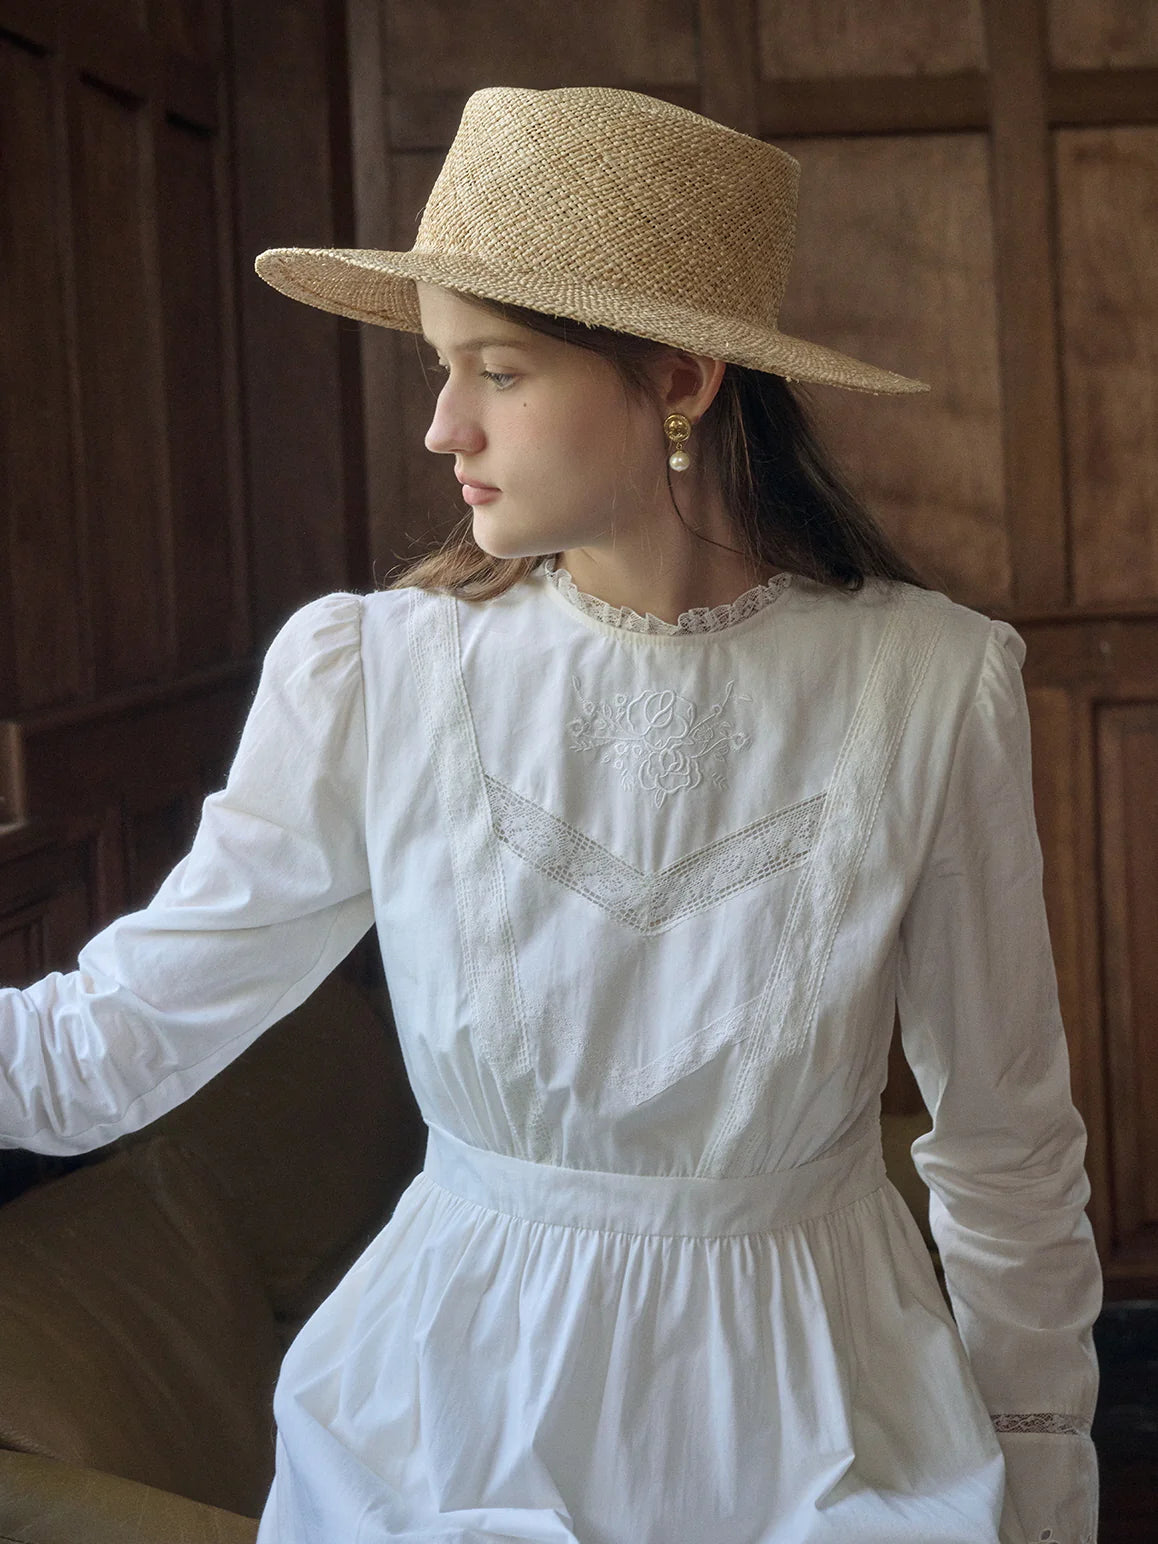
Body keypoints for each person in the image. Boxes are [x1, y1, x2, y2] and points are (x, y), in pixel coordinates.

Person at [1, 85, 1100, 1544]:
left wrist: (1039, 1473)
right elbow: (108, 1048)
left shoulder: (930, 684)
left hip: (829, 1416)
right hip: (451, 1416)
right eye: (444, 368)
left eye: (498, 370)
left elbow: (1003, 1141)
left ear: (681, 382)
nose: (441, 424)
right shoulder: (374, 675)